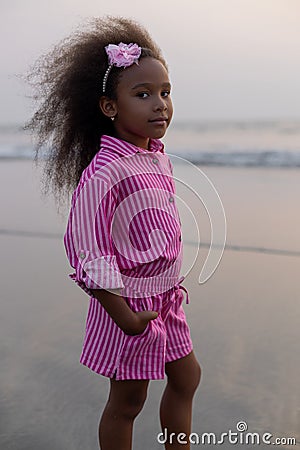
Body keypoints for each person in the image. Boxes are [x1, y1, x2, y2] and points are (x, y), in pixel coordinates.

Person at [27, 16, 201, 450]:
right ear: (110, 107)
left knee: (187, 376)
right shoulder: (104, 172)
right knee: (128, 400)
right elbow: (87, 249)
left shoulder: (156, 157)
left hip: (164, 299)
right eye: (142, 95)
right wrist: (123, 313)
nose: (159, 104)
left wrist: (169, 283)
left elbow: (153, 227)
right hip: (125, 305)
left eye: (165, 93)